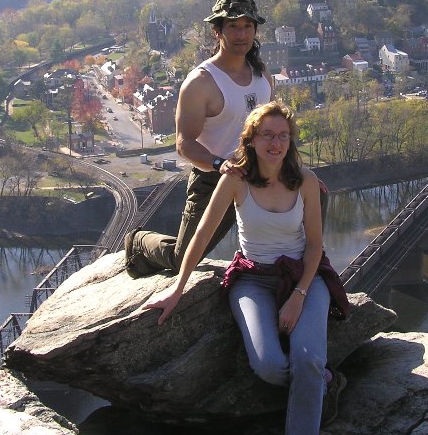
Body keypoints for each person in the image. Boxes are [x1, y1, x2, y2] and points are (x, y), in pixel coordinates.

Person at [143, 102, 349, 432]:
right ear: (251, 139)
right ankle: (324, 381)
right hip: (252, 280)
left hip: (303, 277)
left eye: (283, 135)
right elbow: (201, 235)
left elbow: (314, 246)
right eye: (267, 135)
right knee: (269, 365)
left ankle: (309, 398)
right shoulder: (235, 181)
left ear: (291, 141)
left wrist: (299, 295)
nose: (276, 143)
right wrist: (177, 288)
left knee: (307, 359)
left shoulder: (306, 181)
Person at [124, 0, 273, 277]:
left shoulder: (262, 75)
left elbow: (269, 127)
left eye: (248, 26)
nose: (242, 34)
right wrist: (220, 164)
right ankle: (139, 241)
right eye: (233, 26)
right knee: (184, 260)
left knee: (305, 211)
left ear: (255, 30)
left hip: (259, 174)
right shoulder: (201, 82)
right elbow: (184, 144)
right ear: (217, 31)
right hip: (215, 178)